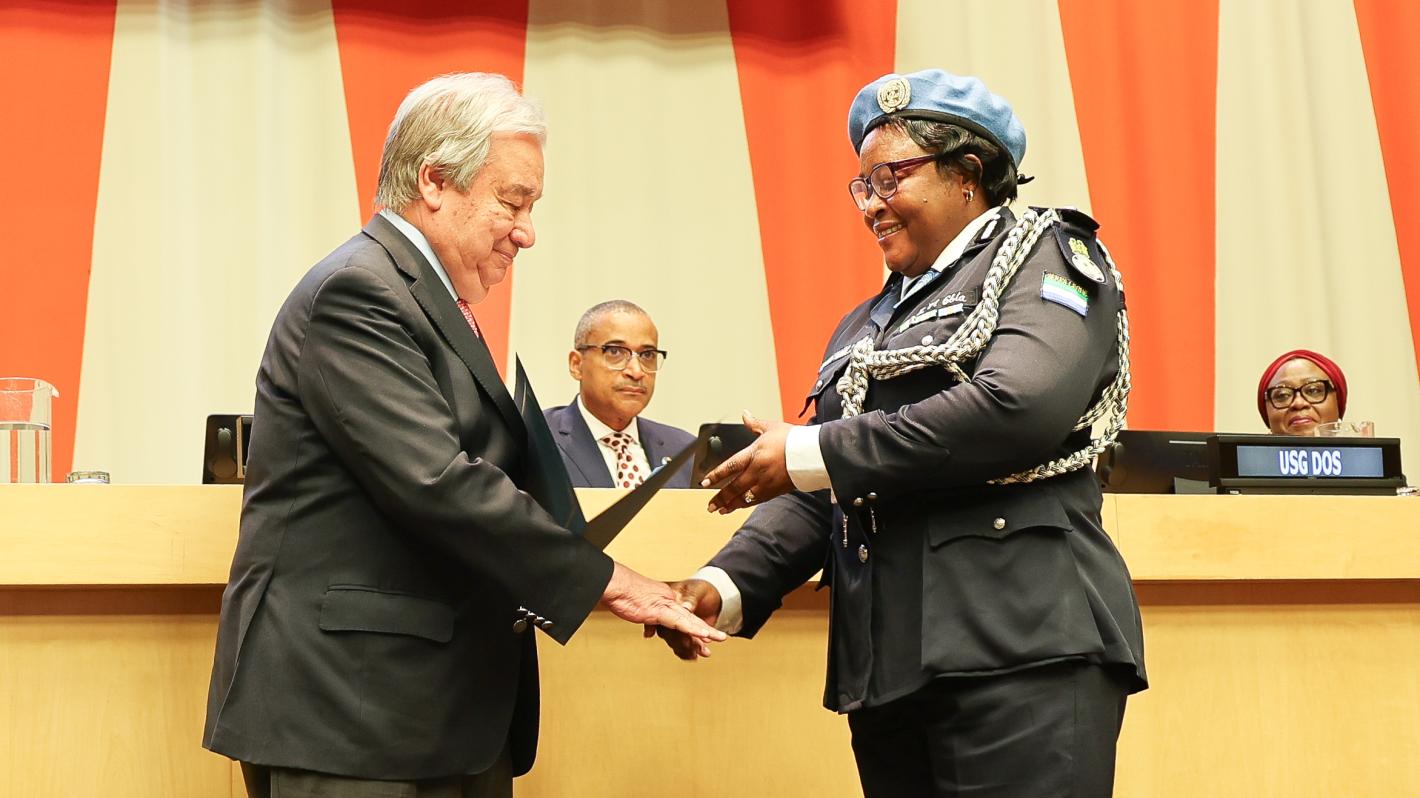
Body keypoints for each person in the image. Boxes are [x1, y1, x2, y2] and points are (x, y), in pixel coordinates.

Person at [202, 72, 722, 798]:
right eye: (513, 201)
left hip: (429, 717)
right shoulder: (359, 291)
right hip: (350, 718)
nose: (527, 231)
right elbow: (437, 481)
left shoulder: (422, 294)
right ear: (436, 181)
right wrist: (612, 583)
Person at [657, 69, 1147, 797]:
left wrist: (808, 449)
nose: (872, 206)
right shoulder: (865, 324)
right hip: (889, 670)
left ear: (969, 175)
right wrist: (723, 582)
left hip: (1019, 651)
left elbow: (1019, 405)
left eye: (891, 179)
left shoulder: (1050, 256)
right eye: (863, 187)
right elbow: (831, 481)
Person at [544, 300, 696, 488]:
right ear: (577, 365)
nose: (636, 371)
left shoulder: (685, 450)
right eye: (615, 351)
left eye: (647, 355)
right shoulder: (537, 440)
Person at [1257, 349, 1347, 435]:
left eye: (1313, 390)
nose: (1298, 403)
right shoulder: (1246, 451)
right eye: (1282, 395)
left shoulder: (1359, 450)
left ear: (1338, 401)